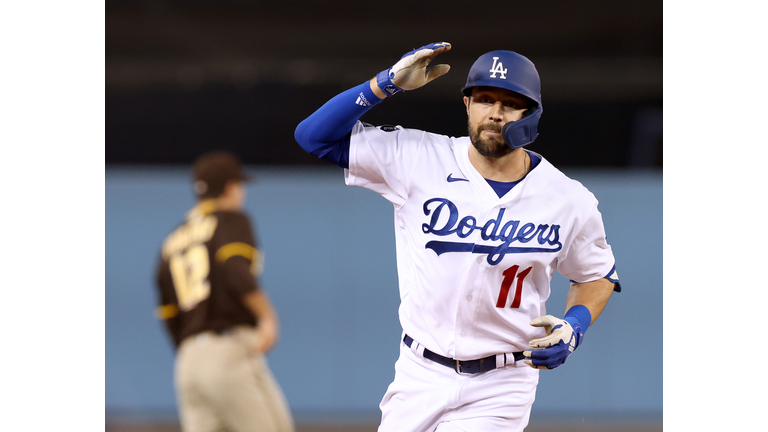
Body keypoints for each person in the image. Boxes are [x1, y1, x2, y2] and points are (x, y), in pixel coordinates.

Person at [294, 42, 621, 431]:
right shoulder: (418, 158)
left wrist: (575, 326)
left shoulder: (568, 199)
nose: (495, 114)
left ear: (531, 113)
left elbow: (597, 275)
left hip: (502, 383)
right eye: (484, 99)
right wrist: (386, 84)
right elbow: (313, 137)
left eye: (510, 103)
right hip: (418, 374)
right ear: (467, 104)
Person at [154, 150, 294, 432]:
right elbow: (234, 269)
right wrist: (267, 317)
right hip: (227, 350)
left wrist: (191, 351)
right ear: (230, 187)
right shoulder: (230, 219)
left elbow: (168, 312)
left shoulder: (170, 243)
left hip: (187, 365)